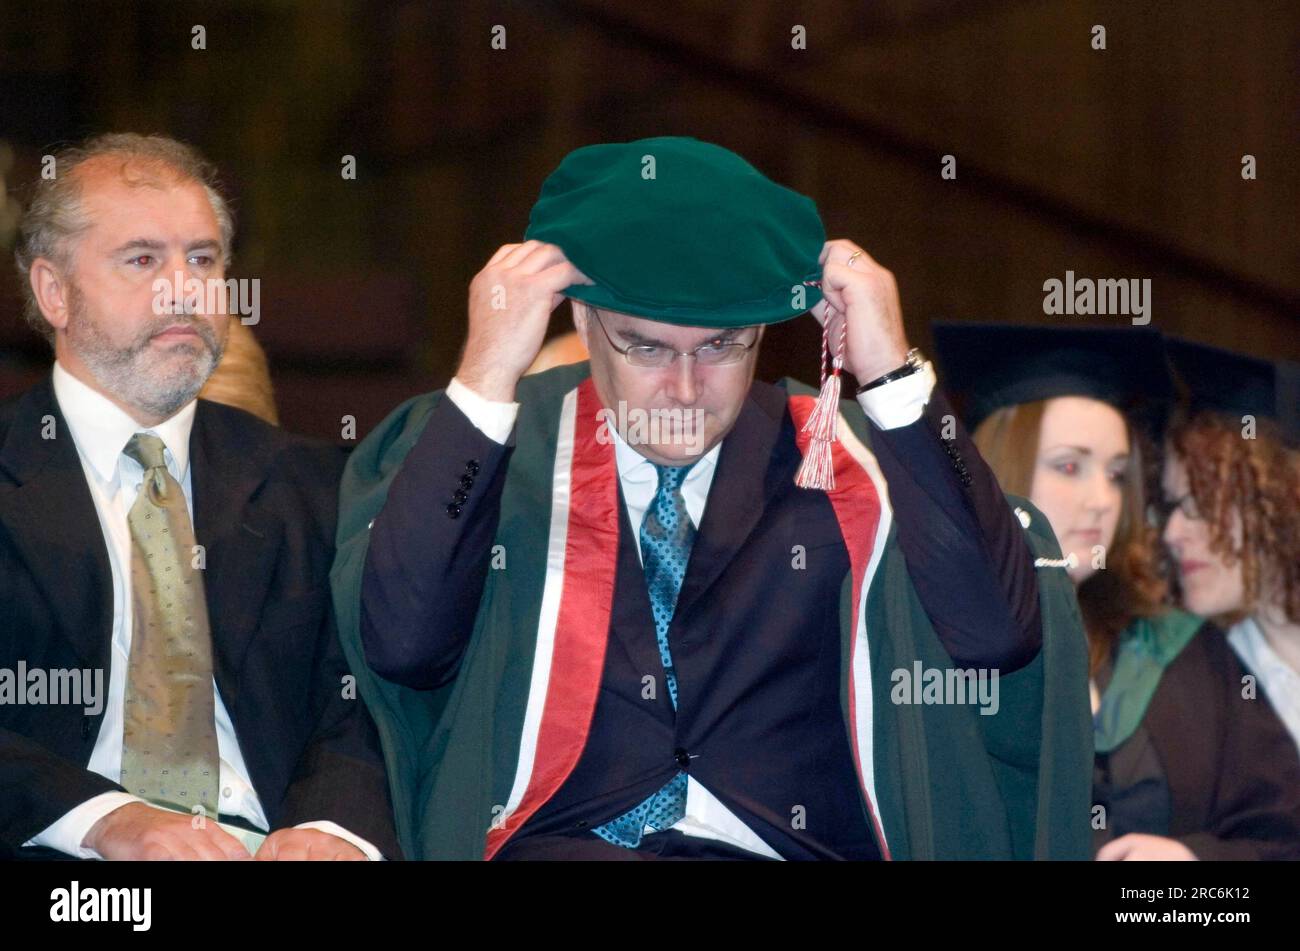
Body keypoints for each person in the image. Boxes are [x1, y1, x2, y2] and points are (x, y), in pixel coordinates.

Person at [333, 136, 1091, 861]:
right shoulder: (508, 450)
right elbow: (403, 644)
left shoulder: (848, 460)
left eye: (722, 346)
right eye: (649, 347)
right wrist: (487, 372)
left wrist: (891, 377)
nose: (687, 389)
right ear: (579, 317)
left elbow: (999, 636)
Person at [1, 133, 397, 860]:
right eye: (143, 259)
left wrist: (330, 829)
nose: (185, 288)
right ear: (53, 291)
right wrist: (108, 819)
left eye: (204, 259)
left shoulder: (317, 485)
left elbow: (367, 702)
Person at [935, 322, 1300, 860]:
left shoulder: (1182, 652)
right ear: (998, 470)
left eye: (1116, 473)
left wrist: (1196, 867)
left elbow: (1280, 836)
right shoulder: (925, 640)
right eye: (1069, 466)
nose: (1103, 499)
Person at [1163, 339, 1300, 756]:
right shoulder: (1196, 674)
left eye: (1199, 504)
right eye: (1171, 505)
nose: (1172, 532)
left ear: (1276, 501)